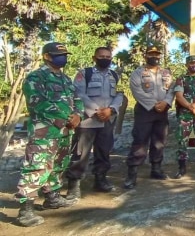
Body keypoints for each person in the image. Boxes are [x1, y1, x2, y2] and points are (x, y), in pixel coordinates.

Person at [15, 42, 82, 227]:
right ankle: (26, 209)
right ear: (47, 56)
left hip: (65, 132)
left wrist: (78, 115)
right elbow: (38, 102)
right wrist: (65, 118)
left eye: (65, 54)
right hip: (44, 132)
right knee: (36, 166)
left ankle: (52, 197)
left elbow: (77, 100)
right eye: (58, 54)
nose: (63, 58)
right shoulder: (36, 77)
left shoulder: (66, 79)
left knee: (58, 165)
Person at [66, 47, 123, 200]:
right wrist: (97, 111)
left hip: (107, 120)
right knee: (80, 153)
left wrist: (111, 110)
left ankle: (100, 179)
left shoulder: (115, 75)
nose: (105, 58)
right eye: (101, 56)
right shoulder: (84, 73)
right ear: (94, 57)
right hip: (88, 120)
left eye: (108, 56)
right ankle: (74, 185)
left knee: (104, 151)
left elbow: (120, 94)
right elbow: (79, 94)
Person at [123, 46, 175, 189]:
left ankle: (156, 169)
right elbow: (137, 91)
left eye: (157, 54)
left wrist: (166, 103)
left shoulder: (167, 73)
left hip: (162, 111)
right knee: (140, 141)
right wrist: (154, 104)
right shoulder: (137, 73)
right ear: (145, 56)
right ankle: (132, 173)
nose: (155, 57)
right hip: (145, 111)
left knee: (159, 141)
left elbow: (172, 90)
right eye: (151, 54)